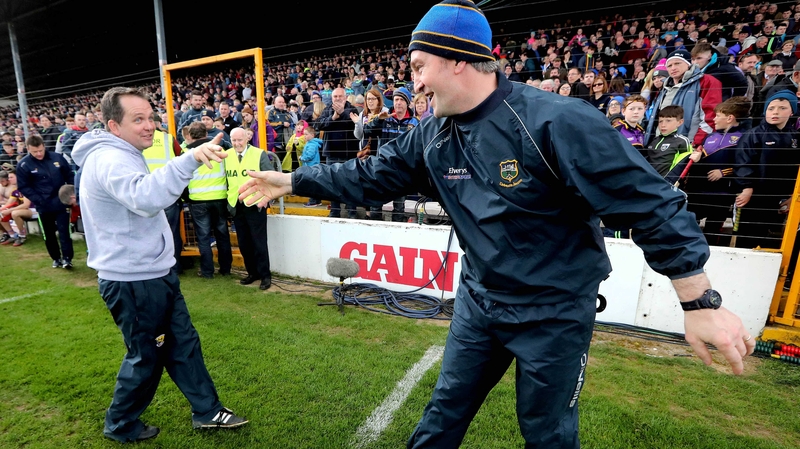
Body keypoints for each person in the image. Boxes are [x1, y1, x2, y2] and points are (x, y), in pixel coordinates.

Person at [237, 2, 754, 447]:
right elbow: (373, 173)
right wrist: (294, 180)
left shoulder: (557, 121)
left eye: (419, 66)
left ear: (459, 59)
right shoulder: (432, 134)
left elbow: (652, 205)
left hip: (554, 315)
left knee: (547, 433)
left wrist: (699, 302)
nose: (413, 82)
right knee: (442, 417)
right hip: (480, 303)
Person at [71, 86, 247, 443]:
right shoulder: (110, 159)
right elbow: (145, 197)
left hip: (152, 272)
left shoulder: (120, 152)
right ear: (113, 126)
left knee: (182, 343)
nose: (149, 126)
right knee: (147, 356)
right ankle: (120, 424)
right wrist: (191, 158)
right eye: (138, 119)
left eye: (151, 117)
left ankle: (208, 411)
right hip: (134, 280)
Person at [733, 91, 800, 249]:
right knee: (748, 238)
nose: (775, 112)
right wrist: (746, 187)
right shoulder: (754, 135)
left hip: (784, 199)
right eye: (771, 108)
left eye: (782, 108)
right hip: (756, 198)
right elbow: (744, 162)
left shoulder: (796, 137)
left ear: (792, 111)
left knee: (774, 242)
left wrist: (792, 196)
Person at [686, 97, 750, 246]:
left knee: (713, 230)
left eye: (717, 116)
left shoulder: (744, 137)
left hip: (722, 193)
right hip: (699, 191)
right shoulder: (710, 137)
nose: (714, 119)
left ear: (729, 118)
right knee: (690, 224)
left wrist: (723, 172)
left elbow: (745, 164)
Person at [226, 127, 276, 290]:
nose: (236, 143)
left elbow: (271, 177)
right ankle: (252, 273)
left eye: (239, 140)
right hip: (236, 205)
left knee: (259, 242)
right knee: (244, 243)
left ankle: (265, 275)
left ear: (247, 138)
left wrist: (267, 198)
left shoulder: (259, 154)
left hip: (256, 205)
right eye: (233, 140)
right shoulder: (227, 155)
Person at [16, 135, 75, 267]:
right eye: (34, 152)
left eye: (40, 150)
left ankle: (67, 258)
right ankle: (56, 258)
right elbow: (24, 186)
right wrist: (39, 200)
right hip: (43, 204)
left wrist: (69, 195)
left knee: (64, 231)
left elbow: (70, 176)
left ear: (44, 146)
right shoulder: (24, 164)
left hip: (61, 202)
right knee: (48, 234)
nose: (38, 154)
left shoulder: (57, 158)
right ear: (28, 149)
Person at [185, 122, 233, 279]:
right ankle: (226, 269)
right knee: (222, 234)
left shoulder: (187, 152)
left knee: (203, 237)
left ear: (190, 136)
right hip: (219, 197)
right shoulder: (219, 149)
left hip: (198, 200)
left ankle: (207, 272)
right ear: (206, 133)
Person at [363, 87, 419, 221]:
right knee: (376, 205)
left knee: (399, 207)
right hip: (382, 168)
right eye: (395, 100)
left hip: (402, 170)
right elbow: (367, 132)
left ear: (407, 103)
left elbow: (417, 146)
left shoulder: (414, 122)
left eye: (401, 100)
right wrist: (378, 120)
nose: (398, 103)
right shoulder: (384, 117)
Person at [143, 112, 186, 274]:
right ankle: (176, 266)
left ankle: (156, 266)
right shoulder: (169, 139)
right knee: (172, 231)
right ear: (160, 124)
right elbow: (181, 160)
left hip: (147, 192)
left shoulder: (138, 141)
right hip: (168, 192)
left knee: (150, 232)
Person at [316, 87, 360, 219]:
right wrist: (334, 117)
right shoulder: (328, 109)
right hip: (332, 153)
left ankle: (352, 211)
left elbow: (354, 123)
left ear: (345, 97)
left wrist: (343, 114)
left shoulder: (352, 109)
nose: (338, 98)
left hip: (349, 154)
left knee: (350, 182)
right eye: (335, 96)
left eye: (340, 96)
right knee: (332, 183)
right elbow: (318, 124)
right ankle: (335, 211)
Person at [643, 105, 693, 178]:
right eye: (660, 121)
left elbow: (686, 165)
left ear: (680, 122)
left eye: (668, 121)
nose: (663, 125)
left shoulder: (682, 141)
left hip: (666, 183)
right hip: (649, 181)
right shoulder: (654, 140)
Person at [298, 126, 322, 207]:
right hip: (312, 166)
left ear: (312, 135)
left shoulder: (312, 144)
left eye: (306, 134)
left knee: (311, 184)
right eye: (304, 134)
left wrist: (302, 158)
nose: (305, 136)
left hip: (311, 166)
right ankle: (317, 200)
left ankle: (313, 201)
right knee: (314, 183)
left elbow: (309, 156)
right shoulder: (312, 143)